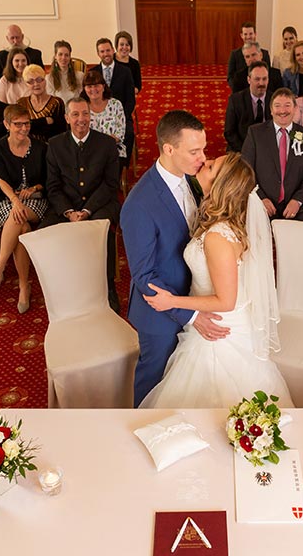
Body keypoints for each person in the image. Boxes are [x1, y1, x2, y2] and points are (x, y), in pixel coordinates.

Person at [139, 155, 294, 408]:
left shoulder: (217, 237)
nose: (205, 161)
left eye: (211, 167)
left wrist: (172, 301)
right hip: (218, 321)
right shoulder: (224, 224)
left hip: (219, 330)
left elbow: (225, 301)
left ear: (221, 185)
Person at [120, 110, 229, 407]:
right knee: (155, 391)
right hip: (161, 316)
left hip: (194, 298)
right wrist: (190, 315)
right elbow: (144, 277)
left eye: (203, 149)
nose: (203, 158)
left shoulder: (191, 180)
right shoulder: (139, 204)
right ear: (169, 149)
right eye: (194, 151)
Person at [44, 98, 122, 311]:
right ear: (66, 118)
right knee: (46, 232)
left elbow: (110, 184)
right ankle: (63, 289)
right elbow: (53, 186)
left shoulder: (106, 144)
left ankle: (108, 288)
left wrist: (87, 211)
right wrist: (69, 212)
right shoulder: (55, 145)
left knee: (102, 230)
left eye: (85, 114)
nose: (81, 119)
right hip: (67, 205)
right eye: (75, 114)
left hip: (99, 203)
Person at [0, 105, 48, 314]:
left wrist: (34, 188)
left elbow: (48, 180)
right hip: (6, 199)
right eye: (18, 124)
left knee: (18, 217)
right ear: (7, 125)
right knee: (22, 227)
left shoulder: (41, 147)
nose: (23, 128)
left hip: (35, 200)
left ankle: (0, 265)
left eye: (26, 123)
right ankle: (24, 286)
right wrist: (15, 200)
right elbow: (0, 179)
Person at [241, 88, 303, 223]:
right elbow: (245, 171)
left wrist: (297, 200)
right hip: (264, 202)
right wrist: (261, 198)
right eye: (277, 106)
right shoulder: (255, 133)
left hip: (299, 204)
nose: (282, 110)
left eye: (287, 105)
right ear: (271, 110)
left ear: (295, 109)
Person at [91, 37, 136, 163]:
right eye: (102, 51)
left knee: (129, 134)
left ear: (113, 50)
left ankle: (121, 165)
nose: (106, 54)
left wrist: (120, 116)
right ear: (98, 54)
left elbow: (131, 100)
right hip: (98, 116)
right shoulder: (93, 72)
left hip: (120, 116)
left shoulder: (125, 71)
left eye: (108, 50)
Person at [224, 61, 271, 153]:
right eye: (257, 79)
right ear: (249, 80)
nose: (261, 83)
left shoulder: (274, 99)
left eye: (264, 79)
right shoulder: (236, 100)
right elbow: (229, 132)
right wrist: (246, 151)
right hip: (241, 148)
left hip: (268, 148)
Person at [82, 69, 127, 162]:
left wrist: (102, 146)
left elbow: (120, 134)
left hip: (113, 150)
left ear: (103, 86)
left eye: (96, 85)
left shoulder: (116, 104)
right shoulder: (81, 107)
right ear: (84, 89)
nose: (93, 89)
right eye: (89, 86)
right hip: (88, 152)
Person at [17, 64, 66, 144]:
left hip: (51, 147)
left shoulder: (57, 102)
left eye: (39, 80)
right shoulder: (21, 103)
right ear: (26, 84)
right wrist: (45, 121)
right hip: (27, 146)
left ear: (45, 81)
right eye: (31, 82)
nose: (36, 84)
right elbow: (19, 128)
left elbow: (59, 132)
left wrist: (31, 124)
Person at [226, 21, 272, 90]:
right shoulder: (235, 54)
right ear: (241, 35)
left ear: (255, 34)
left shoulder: (265, 53)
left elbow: (269, 73)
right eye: (245, 34)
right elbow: (230, 76)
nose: (248, 37)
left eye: (250, 34)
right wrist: (237, 89)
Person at [46, 39, 84, 106]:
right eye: (60, 54)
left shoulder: (79, 76)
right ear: (55, 56)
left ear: (70, 57)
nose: (63, 58)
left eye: (66, 55)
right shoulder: (49, 78)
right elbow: (50, 102)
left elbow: (82, 98)